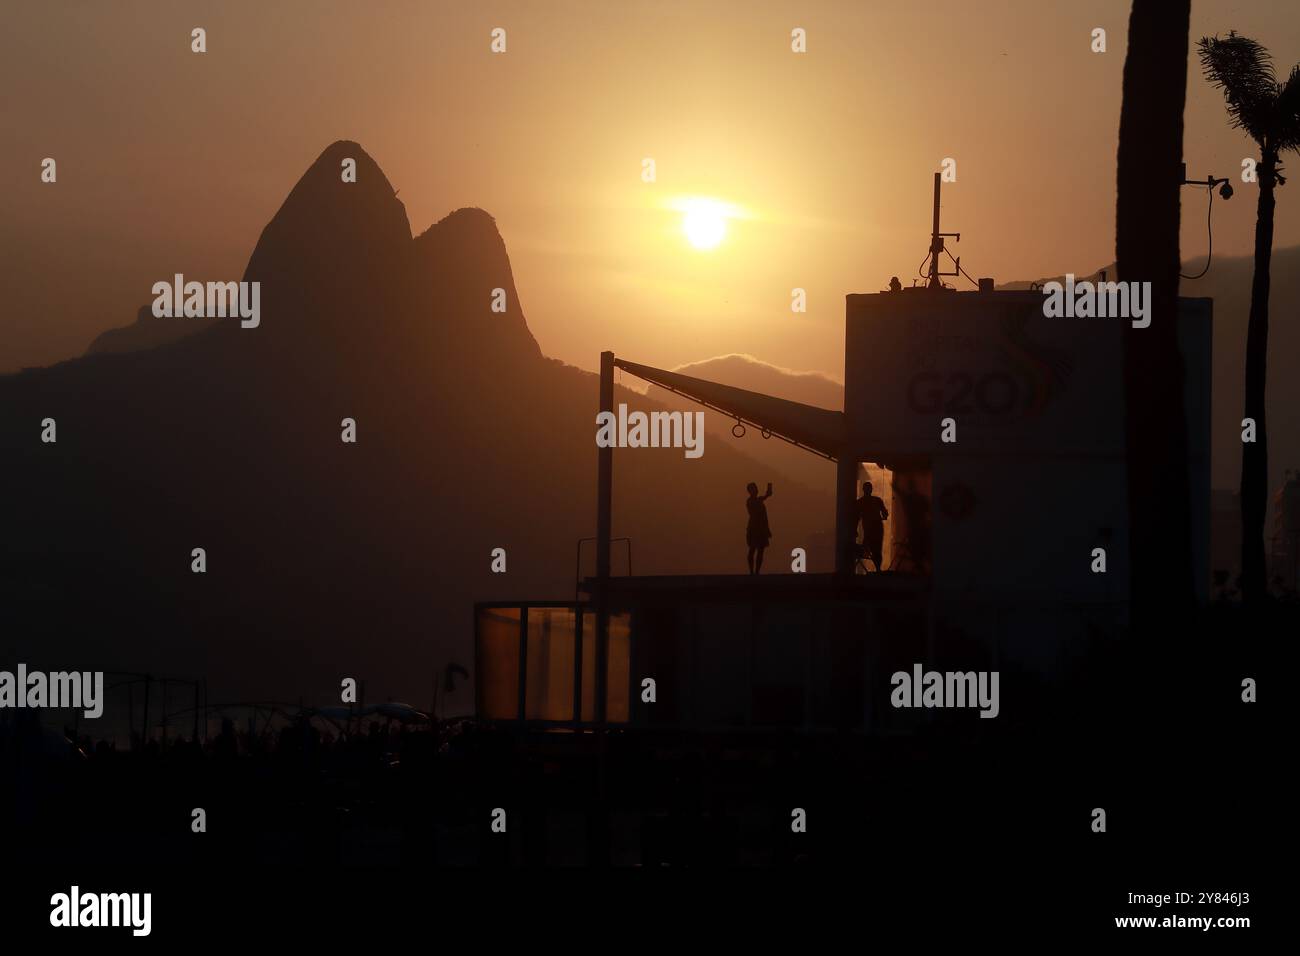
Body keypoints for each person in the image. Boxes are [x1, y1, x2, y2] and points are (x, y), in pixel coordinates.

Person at [857, 480, 889, 571]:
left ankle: (876, 569)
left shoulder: (860, 502)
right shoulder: (877, 500)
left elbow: (856, 517)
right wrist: (884, 516)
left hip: (869, 528)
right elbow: (885, 513)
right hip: (877, 527)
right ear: (871, 490)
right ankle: (878, 569)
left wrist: (855, 529)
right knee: (877, 549)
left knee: (869, 548)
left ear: (863, 490)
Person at [745, 481, 773, 574]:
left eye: (756, 488)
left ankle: (756, 572)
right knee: (752, 549)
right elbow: (760, 500)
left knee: (760, 550)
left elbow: (764, 497)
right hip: (754, 529)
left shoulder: (757, 500)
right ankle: (752, 571)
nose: (756, 490)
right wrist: (766, 495)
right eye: (753, 489)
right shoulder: (750, 501)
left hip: (761, 529)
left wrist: (767, 494)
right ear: (750, 491)